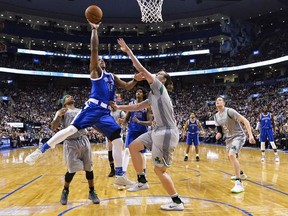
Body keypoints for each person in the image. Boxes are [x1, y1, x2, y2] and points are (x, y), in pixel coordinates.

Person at [24, 22, 141, 186]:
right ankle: (40, 150)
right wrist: (94, 29)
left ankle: (120, 175)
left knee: (117, 140)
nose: (99, 60)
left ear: (105, 63)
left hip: (105, 113)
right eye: (97, 59)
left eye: (101, 59)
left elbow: (128, 86)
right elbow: (94, 49)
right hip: (92, 107)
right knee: (71, 129)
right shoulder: (95, 72)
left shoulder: (112, 76)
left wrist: (136, 79)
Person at [111, 38, 184, 211]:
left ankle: (177, 201)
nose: (156, 74)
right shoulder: (152, 95)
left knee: (160, 171)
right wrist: (118, 106)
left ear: (164, 80)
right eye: (157, 73)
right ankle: (141, 180)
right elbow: (137, 106)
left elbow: (141, 69)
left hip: (167, 133)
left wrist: (128, 50)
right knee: (133, 147)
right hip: (156, 131)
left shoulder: (159, 87)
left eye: (160, 74)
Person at [51, 95, 100, 205]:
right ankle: (65, 191)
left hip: (83, 139)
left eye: (71, 96)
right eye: (67, 96)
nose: (70, 97)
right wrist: (59, 116)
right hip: (70, 142)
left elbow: (91, 122)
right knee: (71, 170)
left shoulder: (81, 110)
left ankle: (92, 192)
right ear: (64, 102)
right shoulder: (61, 112)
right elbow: (53, 127)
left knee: (89, 168)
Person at [214, 97, 255, 193]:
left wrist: (251, 135)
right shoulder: (216, 116)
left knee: (231, 155)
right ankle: (241, 174)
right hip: (228, 138)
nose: (217, 101)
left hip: (238, 136)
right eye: (216, 100)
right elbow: (220, 130)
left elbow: (246, 121)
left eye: (220, 100)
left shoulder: (230, 111)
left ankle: (238, 183)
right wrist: (218, 134)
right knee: (231, 157)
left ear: (224, 103)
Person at [122, 87, 153, 175]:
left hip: (142, 132)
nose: (138, 93)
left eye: (140, 92)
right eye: (137, 92)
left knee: (142, 153)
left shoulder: (147, 107)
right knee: (127, 151)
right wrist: (123, 122)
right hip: (132, 131)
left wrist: (139, 122)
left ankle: (143, 173)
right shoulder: (131, 104)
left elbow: (150, 123)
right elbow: (126, 119)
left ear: (143, 94)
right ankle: (123, 173)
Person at [106, 106, 126, 177]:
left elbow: (126, 120)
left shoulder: (120, 112)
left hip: (118, 133)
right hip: (108, 133)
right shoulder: (107, 112)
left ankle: (120, 168)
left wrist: (122, 120)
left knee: (118, 151)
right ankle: (112, 170)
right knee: (110, 151)